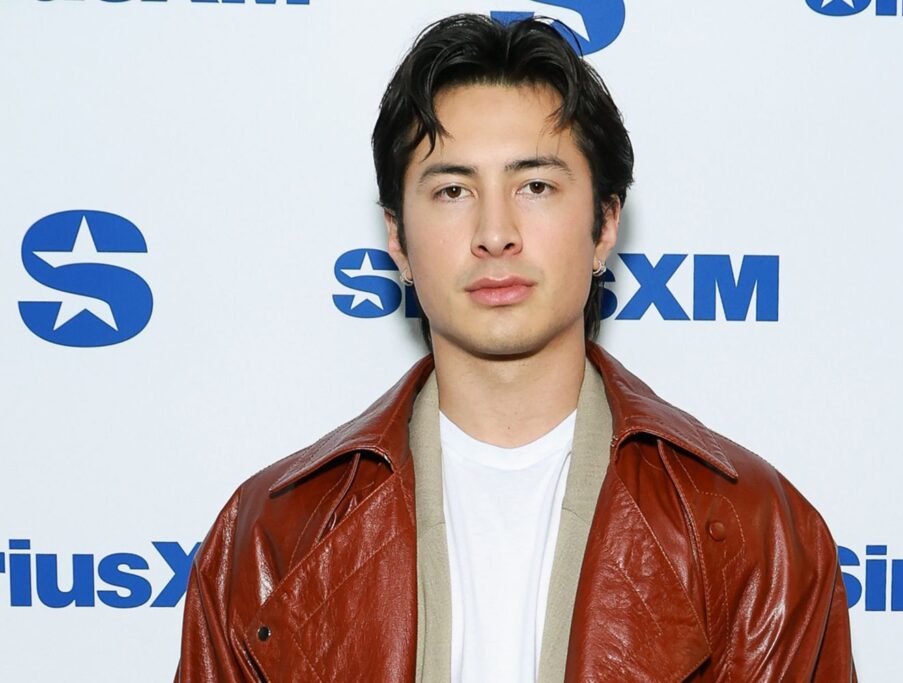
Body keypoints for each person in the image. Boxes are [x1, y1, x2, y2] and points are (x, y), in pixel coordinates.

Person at [174, 13, 856, 683]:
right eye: (452, 190)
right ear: (397, 239)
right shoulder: (271, 537)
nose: (495, 232)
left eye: (535, 186)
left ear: (605, 224)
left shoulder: (755, 533)